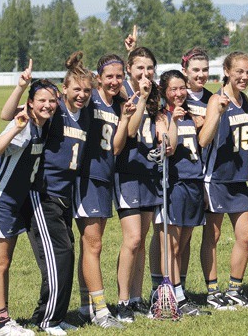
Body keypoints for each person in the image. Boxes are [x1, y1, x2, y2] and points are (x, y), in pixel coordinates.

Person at [0, 55, 94, 335]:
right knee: (59, 256)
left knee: (66, 254)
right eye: (76, 89)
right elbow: (8, 115)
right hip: (43, 195)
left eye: (87, 90)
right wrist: (21, 87)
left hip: (64, 197)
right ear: (64, 90)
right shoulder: (55, 113)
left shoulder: (85, 114)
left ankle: (55, 314)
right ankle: (48, 320)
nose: (82, 95)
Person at [0, 78, 58, 336]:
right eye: (42, 100)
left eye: (52, 100)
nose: (48, 105)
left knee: (4, 262)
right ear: (30, 103)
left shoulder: (43, 125)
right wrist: (15, 129)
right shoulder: (26, 126)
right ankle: (1, 323)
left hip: (15, 201)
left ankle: (3, 319)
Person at [75, 54, 136, 329]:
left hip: (103, 178)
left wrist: (124, 119)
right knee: (94, 244)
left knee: (91, 245)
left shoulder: (115, 106)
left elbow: (116, 148)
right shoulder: (91, 98)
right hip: (86, 178)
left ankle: (85, 305)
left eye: (119, 76)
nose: (114, 81)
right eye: (109, 76)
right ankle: (101, 311)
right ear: (98, 77)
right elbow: (78, 87)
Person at [199, 52, 248, 309]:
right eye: (239, 72)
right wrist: (217, 114)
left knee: (245, 235)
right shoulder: (216, 99)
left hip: (238, 179)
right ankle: (212, 291)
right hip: (217, 178)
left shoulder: (244, 100)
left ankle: (234, 289)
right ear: (226, 71)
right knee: (213, 235)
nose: (244, 77)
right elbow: (204, 139)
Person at [153, 70, 209, 316]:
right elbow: (169, 147)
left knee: (184, 244)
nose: (178, 93)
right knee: (172, 246)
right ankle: (174, 295)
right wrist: (173, 121)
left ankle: (180, 290)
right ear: (164, 91)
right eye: (173, 89)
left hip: (194, 183)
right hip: (175, 185)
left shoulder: (192, 115)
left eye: (181, 88)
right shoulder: (162, 117)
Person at [114, 46, 162, 321]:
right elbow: (131, 130)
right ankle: (121, 300)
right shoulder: (122, 95)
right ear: (129, 70)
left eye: (150, 68)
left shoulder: (153, 96)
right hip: (128, 173)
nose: (145, 73)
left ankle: (136, 297)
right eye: (139, 68)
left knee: (141, 240)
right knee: (131, 239)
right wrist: (142, 97)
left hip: (149, 173)